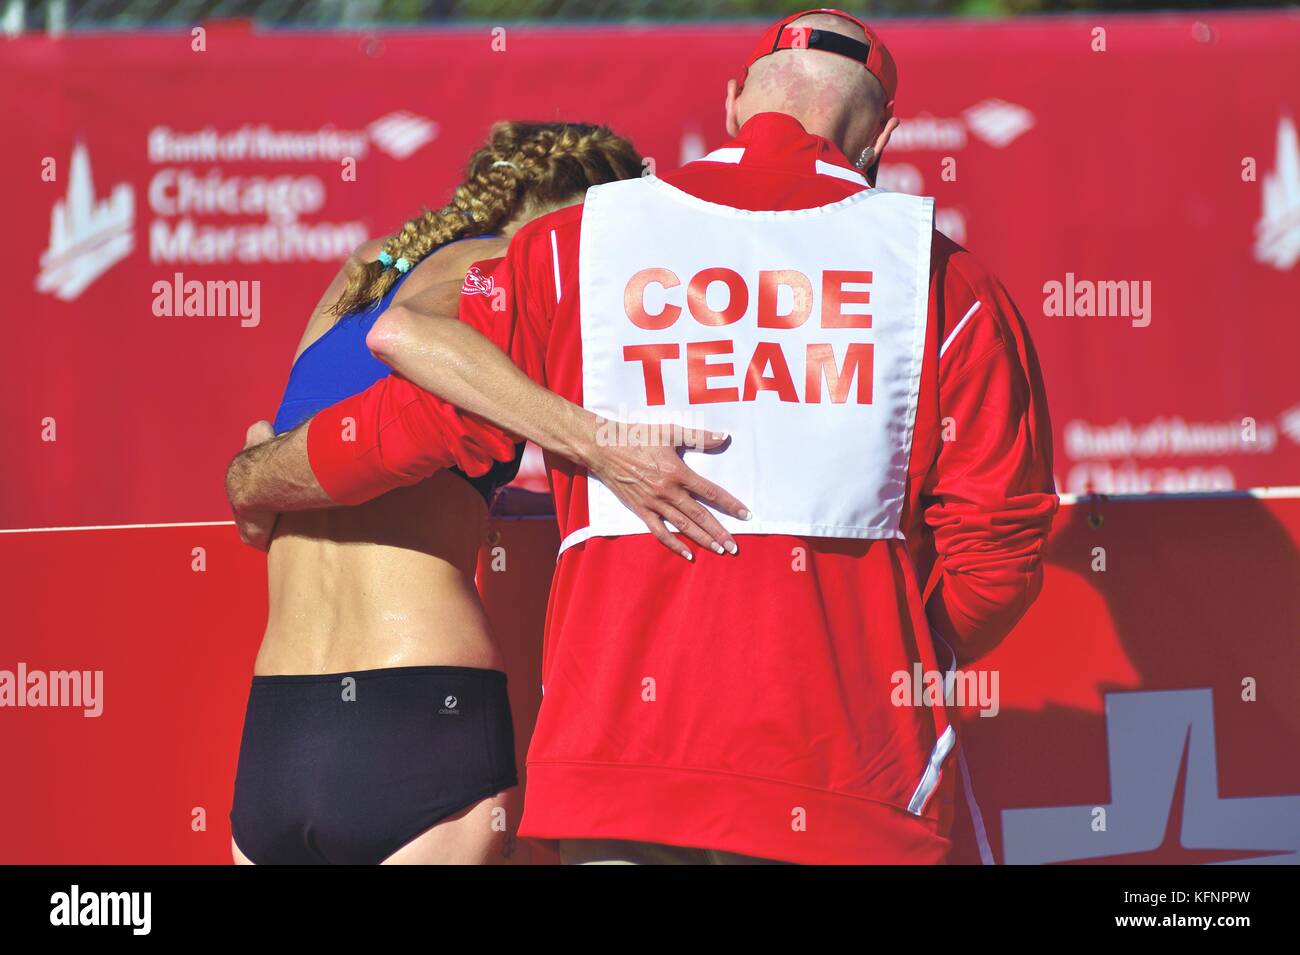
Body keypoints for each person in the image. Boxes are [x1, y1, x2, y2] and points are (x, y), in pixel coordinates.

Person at [227, 9, 1058, 864]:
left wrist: (256, 479)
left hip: (612, 772)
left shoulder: (571, 248)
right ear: (884, 131)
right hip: (838, 778)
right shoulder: (946, 280)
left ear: (736, 104)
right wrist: (889, 662)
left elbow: (416, 420)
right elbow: (998, 557)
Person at [226, 121, 653, 865]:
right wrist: (594, 439)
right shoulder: (517, 259)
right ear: (581, 210)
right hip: (419, 708)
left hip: (279, 730)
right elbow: (409, 337)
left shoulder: (365, 266)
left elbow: (273, 473)